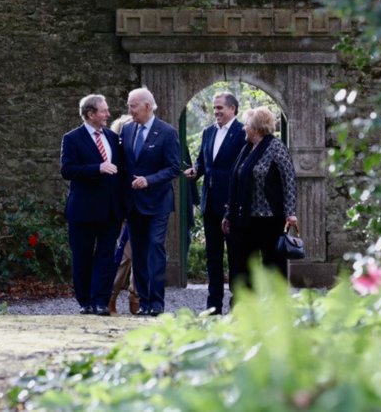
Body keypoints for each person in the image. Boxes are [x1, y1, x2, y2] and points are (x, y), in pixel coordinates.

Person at [221, 106, 298, 294]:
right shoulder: (247, 148)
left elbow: (289, 180)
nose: (243, 128)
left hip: (269, 219)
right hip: (244, 217)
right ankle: (246, 307)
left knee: (272, 265)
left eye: (246, 124)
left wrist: (290, 213)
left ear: (255, 128)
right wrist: (228, 214)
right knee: (244, 264)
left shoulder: (276, 147)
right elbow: (236, 182)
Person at [60, 94, 124, 316]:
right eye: (104, 111)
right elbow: (67, 170)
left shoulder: (113, 138)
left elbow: (121, 171)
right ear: (90, 114)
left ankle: (100, 301)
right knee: (83, 256)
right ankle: (85, 301)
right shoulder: (72, 138)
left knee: (106, 256)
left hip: (110, 210)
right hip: (83, 210)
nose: (108, 114)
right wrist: (97, 168)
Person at [120, 87, 180, 316]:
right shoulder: (126, 131)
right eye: (129, 105)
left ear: (147, 106)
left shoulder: (166, 132)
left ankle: (156, 303)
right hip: (133, 204)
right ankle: (143, 301)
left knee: (155, 248)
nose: (129, 110)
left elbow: (174, 168)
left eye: (133, 106)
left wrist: (149, 180)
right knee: (139, 252)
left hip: (157, 203)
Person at [184, 92, 246, 315]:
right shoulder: (208, 132)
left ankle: (238, 305)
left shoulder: (242, 132)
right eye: (214, 108)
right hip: (209, 203)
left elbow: (242, 169)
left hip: (232, 204)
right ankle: (213, 306)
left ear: (232, 109)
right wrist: (196, 171)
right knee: (213, 257)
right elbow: (203, 160)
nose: (216, 112)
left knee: (236, 257)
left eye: (220, 108)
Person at [108, 114, 139, 316]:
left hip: (143, 208)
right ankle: (110, 298)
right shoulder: (115, 154)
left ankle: (135, 298)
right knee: (124, 257)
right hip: (122, 211)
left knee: (141, 257)